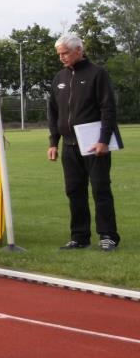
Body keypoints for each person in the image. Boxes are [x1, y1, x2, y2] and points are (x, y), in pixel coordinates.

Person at [47, 33, 122, 251]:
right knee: (74, 190)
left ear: (79, 50)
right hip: (69, 146)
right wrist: (53, 142)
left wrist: (103, 140)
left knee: (100, 189)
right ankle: (79, 236)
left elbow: (108, 108)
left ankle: (108, 235)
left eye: (65, 53)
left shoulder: (97, 74)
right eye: (59, 54)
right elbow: (53, 112)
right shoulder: (59, 78)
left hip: (93, 145)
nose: (62, 57)